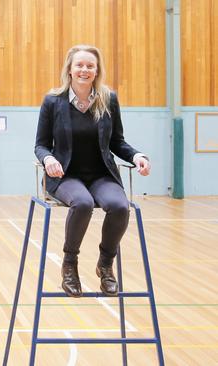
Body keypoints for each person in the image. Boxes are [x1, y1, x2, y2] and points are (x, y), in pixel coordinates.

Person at [34, 45, 151, 297]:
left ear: (97, 71)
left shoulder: (108, 99)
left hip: (101, 174)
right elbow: (40, 145)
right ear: (70, 69)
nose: (84, 70)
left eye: (90, 66)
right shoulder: (53, 101)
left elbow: (117, 141)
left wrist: (137, 155)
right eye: (79, 65)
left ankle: (106, 264)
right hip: (65, 176)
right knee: (83, 203)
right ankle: (69, 265)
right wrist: (48, 159)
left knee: (120, 206)